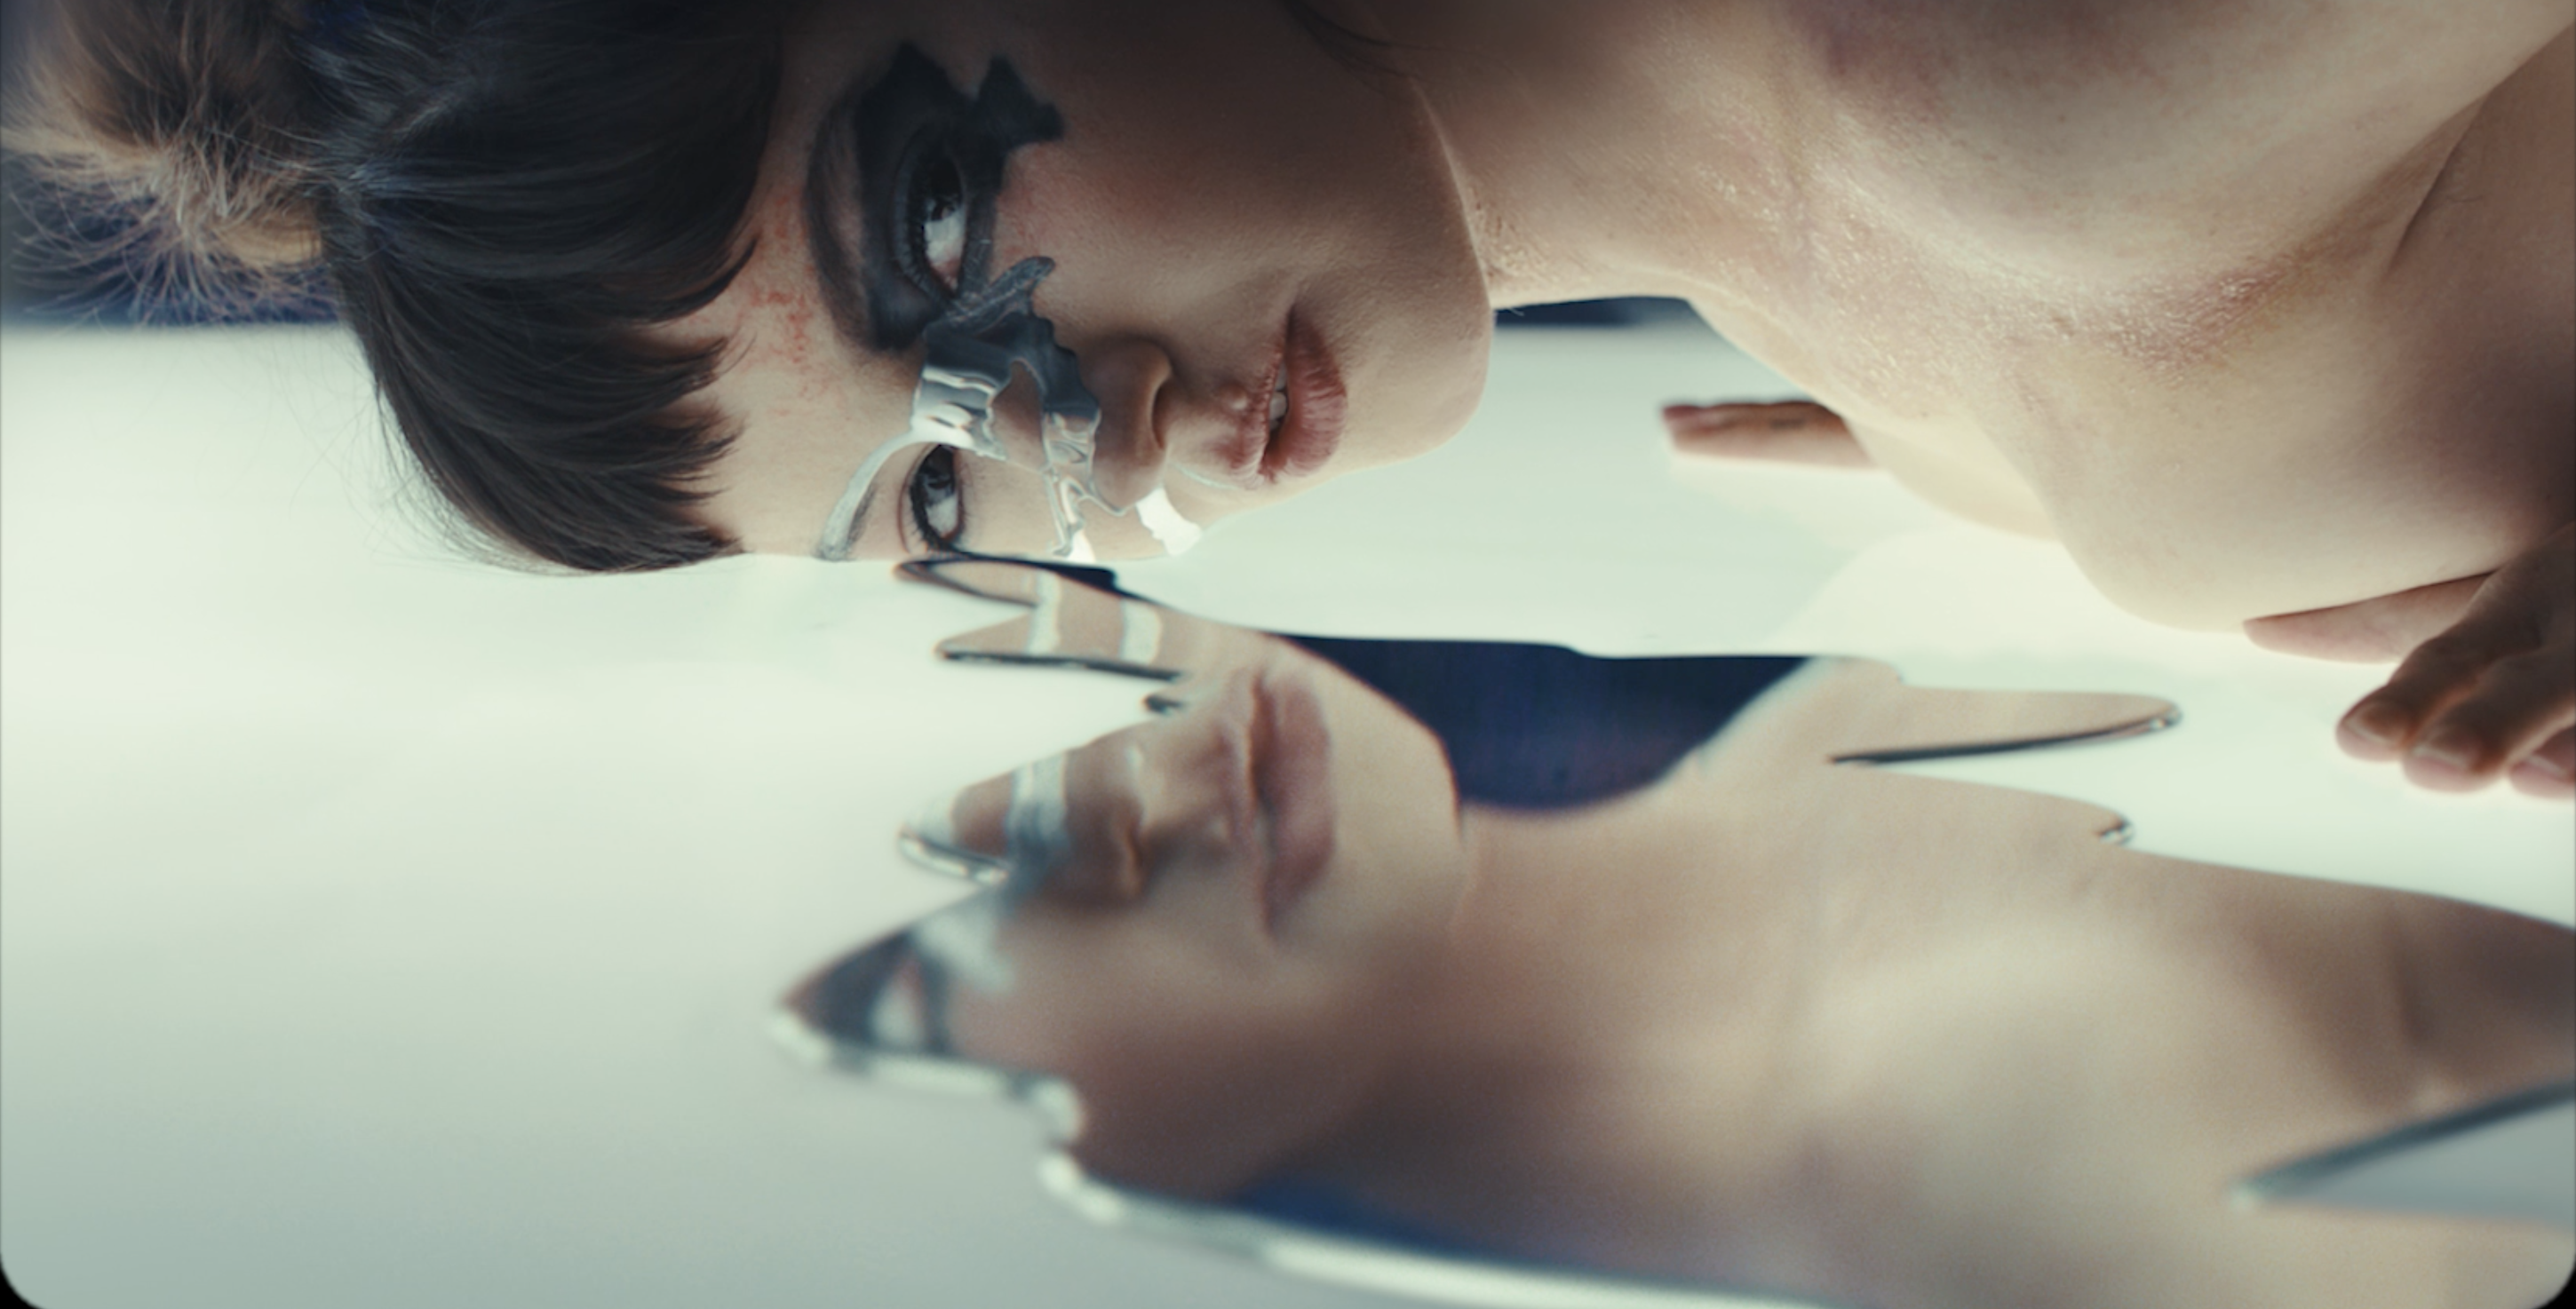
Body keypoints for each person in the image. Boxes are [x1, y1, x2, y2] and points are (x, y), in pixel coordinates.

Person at [6, 0, 2568, 793]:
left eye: (926, 220)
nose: (1090, 438)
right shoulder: (1881, 200)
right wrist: (1983, 442)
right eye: (935, 488)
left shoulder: (2032, 25)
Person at [790, 564, 2576, 1309]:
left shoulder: (1811, 656)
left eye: (991, 787)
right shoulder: (1969, 1164)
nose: (1078, 805)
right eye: (921, 963)